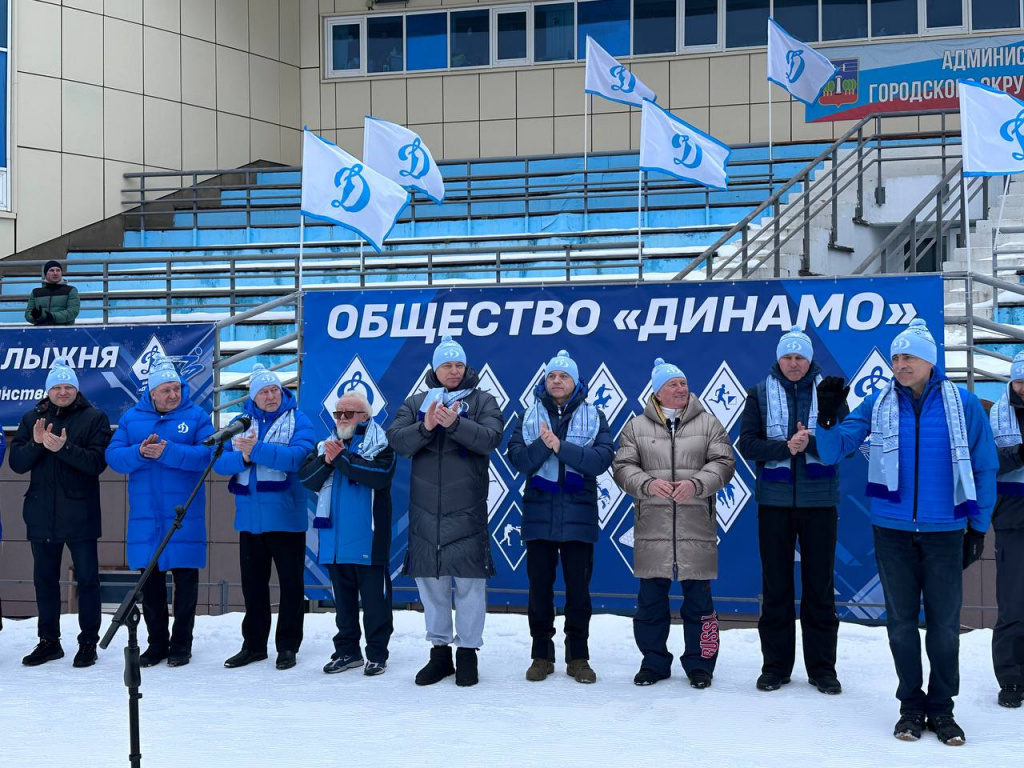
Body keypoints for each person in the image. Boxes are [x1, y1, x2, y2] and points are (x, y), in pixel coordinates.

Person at [815, 318, 996, 745]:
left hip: (946, 530)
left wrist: (978, 526)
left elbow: (984, 465)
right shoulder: (878, 404)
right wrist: (825, 417)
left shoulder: (964, 404)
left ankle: (943, 709)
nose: (900, 364)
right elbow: (833, 451)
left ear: (929, 361)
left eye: (908, 356)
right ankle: (910, 707)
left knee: (945, 626)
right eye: (896, 357)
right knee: (899, 624)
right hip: (891, 531)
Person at [386, 335, 503, 687]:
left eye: (458, 364)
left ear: (466, 368)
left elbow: (490, 438)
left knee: (469, 586)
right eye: (446, 365)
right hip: (425, 512)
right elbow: (397, 440)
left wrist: (454, 423)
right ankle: (440, 655)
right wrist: (428, 426)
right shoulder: (417, 401)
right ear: (435, 370)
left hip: (467, 510)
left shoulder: (483, 400)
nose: (453, 370)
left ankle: (467, 653)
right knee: (432, 587)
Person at [612, 358, 735, 688]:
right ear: (657, 393)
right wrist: (647, 484)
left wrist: (697, 484)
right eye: (673, 384)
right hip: (653, 528)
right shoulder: (636, 427)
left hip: (697, 528)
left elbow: (724, 462)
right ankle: (653, 662)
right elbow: (622, 467)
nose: (681, 388)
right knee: (650, 601)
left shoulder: (709, 424)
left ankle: (700, 665)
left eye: (683, 382)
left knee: (700, 602)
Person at [737, 326, 847, 695]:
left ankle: (822, 669)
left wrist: (810, 442)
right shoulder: (759, 394)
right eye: (788, 357)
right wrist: (786, 447)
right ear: (778, 359)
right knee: (776, 587)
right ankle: (775, 667)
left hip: (819, 502)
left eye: (800, 357)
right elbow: (747, 445)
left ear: (810, 360)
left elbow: (844, 444)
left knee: (820, 588)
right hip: (774, 503)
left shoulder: (830, 392)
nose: (794, 364)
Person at [506, 350, 614, 684]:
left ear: (576, 381)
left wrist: (560, 447)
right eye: (552, 376)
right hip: (539, 516)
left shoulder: (595, 416)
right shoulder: (528, 416)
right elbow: (520, 460)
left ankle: (578, 657)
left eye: (563, 376)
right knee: (539, 591)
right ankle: (541, 656)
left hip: (578, 518)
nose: (557, 381)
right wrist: (545, 443)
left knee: (578, 593)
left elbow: (600, 460)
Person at [106, 354, 214, 668]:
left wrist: (168, 451)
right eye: (165, 389)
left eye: (176, 388)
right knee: (150, 587)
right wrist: (139, 452)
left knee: (186, 587)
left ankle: (181, 645)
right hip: (146, 520)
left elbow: (207, 455)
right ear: (151, 393)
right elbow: (114, 456)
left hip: (184, 517)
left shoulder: (196, 416)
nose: (172, 394)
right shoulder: (131, 419)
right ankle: (157, 645)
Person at [8, 358, 112, 667]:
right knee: (45, 580)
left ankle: (88, 643)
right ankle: (49, 641)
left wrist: (62, 449)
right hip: (41, 514)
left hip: (80, 514)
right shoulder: (31, 419)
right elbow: (17, 464)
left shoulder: (95, 418)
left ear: (76, 390)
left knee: (88, 581)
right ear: (48, 390)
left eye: (68, 386)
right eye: (57, 387)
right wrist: (38, 444)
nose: (62, 391)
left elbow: (97, 463)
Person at [214, 364, 315, 671]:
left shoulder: (299, 419)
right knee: (253, 586)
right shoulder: (239, 422)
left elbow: (299, 457)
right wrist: (243, 456)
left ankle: (287, 646)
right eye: (264, 392)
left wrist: (255, 450)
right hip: (250, 520)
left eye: (275, 390)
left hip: (286, 517)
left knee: (291, 586)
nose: (271, 396)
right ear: (253, 397)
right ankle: (254, 645)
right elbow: (219, 463)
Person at [299, 391, 397, 676]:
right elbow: (307, 479)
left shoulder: (382, 445)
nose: (342, 418)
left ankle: (377, 654)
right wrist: (329, 460)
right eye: (338, 413)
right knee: (343, 605)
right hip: (334, 541)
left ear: (365, 417)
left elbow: (378, 476)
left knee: (375, 604)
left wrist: (341, 459)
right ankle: (347, 652)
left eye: (349, 413)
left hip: (368, 540)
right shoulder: (325, 447)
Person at [988, 349, 1024, 709]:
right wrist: (1019, 453)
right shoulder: (994, 415)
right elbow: (985, 460)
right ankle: (1011, 677)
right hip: (1014, 516)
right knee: (1013, 602)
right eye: (1020, 380)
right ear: (1011, 381)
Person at [25, 260, 80, 326]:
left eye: (58, 270)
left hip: (64, 332)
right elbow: (28, 314)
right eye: (51, 270)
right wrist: (36, 316)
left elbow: (73, 312)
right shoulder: (36, 292)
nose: (55, 273)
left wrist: (52, 316)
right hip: (41, 332)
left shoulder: (71, 290)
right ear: (45, 273)